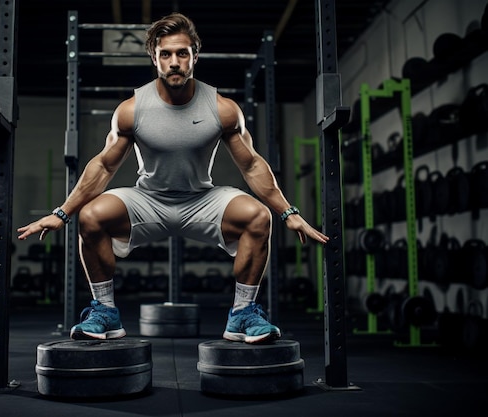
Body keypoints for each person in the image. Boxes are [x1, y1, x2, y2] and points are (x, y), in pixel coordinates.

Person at [17, 12, 328, 344]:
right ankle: (105, 313)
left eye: (183, 53)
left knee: (258, 217)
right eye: (166, 54)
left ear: (196, 55)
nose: (174, 62)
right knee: (91, 216)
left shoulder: (222, 108)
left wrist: (289, 213)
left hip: (201, 201)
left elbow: (251, 165)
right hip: (148, 200)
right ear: (154, 57)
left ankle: (242, 315)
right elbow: (104, 166)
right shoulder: (132, 109)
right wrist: (62, 213)